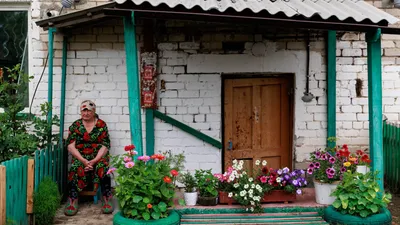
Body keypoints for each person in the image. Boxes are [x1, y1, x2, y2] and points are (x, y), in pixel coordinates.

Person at [64, 100, 113, 216]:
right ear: (80, 111)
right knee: (75, 167)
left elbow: (105, 145)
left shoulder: (101, 125)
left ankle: (107, 197)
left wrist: (95, 160)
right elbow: (70, 146)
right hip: (81, 157)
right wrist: (84, 161)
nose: (86, 113)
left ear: (94, 111)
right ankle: (72, 199)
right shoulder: (75, 126)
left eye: (88, 111)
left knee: (103, 167)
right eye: (83, 111)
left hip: (98, 157)